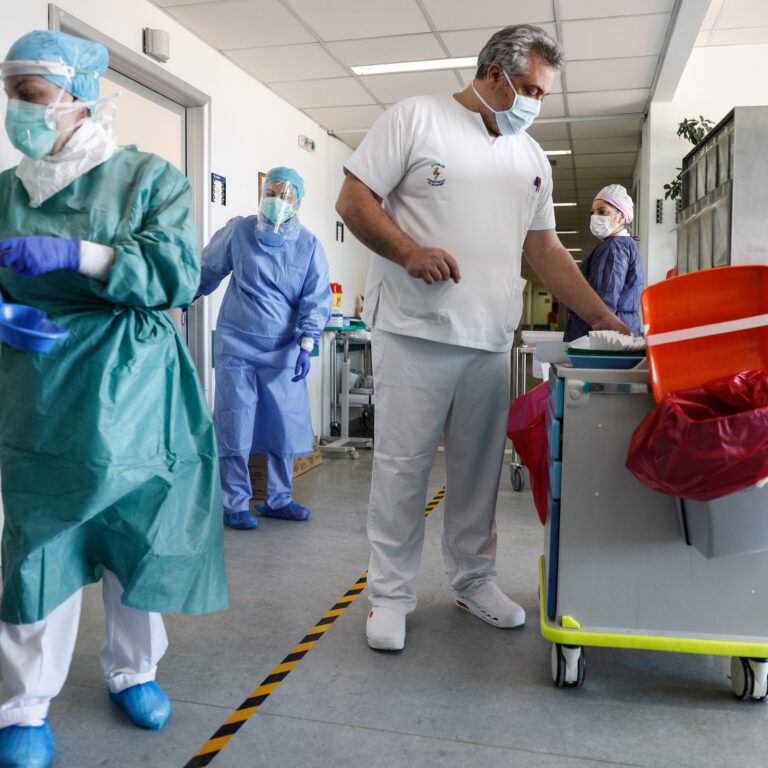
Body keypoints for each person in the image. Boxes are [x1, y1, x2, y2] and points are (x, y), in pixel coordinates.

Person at [335, 24, 631, 652]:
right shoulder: (415, 119)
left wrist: (604, 317)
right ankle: (390, 596)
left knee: (477, 471)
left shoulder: (531, 159)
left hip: (489, 338)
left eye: (544, 94)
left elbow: (545, 251)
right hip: (413, 332)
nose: (536, 104)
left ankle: (474, 581)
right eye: (530, 89)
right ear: (494, 74)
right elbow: (353, 200)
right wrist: (408, 251)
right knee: (402, 468)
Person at [0, 31, 228, 767]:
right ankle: (23, 705)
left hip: (133, 382)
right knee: (39, 540)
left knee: (136, 534)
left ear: (79, 94)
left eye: (30, 95)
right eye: (11, 95)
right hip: (39, 383)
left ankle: (134, 670)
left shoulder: (147, 178)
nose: (17, 110)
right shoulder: (6, 190)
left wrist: (83, 255)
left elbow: (177, 273)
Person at [197, 167, 332, 531]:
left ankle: (278, 499)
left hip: (283, 350)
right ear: (261, 194)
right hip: (236, 346)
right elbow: (208, 268)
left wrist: (307, 343)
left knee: (282, 425)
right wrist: (183, 293)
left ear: (298, 202)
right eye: (270, 193)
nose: (277, 200)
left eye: (285, 195)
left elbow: (316, 296)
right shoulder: (239, 232)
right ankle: (234, 504)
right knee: (235, 423)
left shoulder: (309, 245)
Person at [563, 184, 644, 342]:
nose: (595, 216)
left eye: (602, 211)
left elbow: (604, 302)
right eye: (592, 212)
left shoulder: (614, 247)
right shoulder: (625, 245)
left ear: (621, 217)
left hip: (603, 339)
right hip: (617, 333)